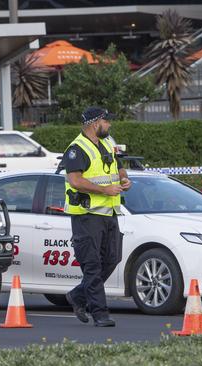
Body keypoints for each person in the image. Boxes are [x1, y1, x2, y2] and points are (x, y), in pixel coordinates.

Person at [63, 107, 131, 327]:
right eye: (106, 121)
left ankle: (78, 296)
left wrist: (124, 179)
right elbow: (75, 181)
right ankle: (100, 313)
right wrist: (105, 191)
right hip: (86, 216)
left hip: (109, 213)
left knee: (112, 259)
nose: (109, 124)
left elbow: (119, 167)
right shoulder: (76, 149)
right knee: (92, 265)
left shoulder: (108, 142)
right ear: (95, 123)